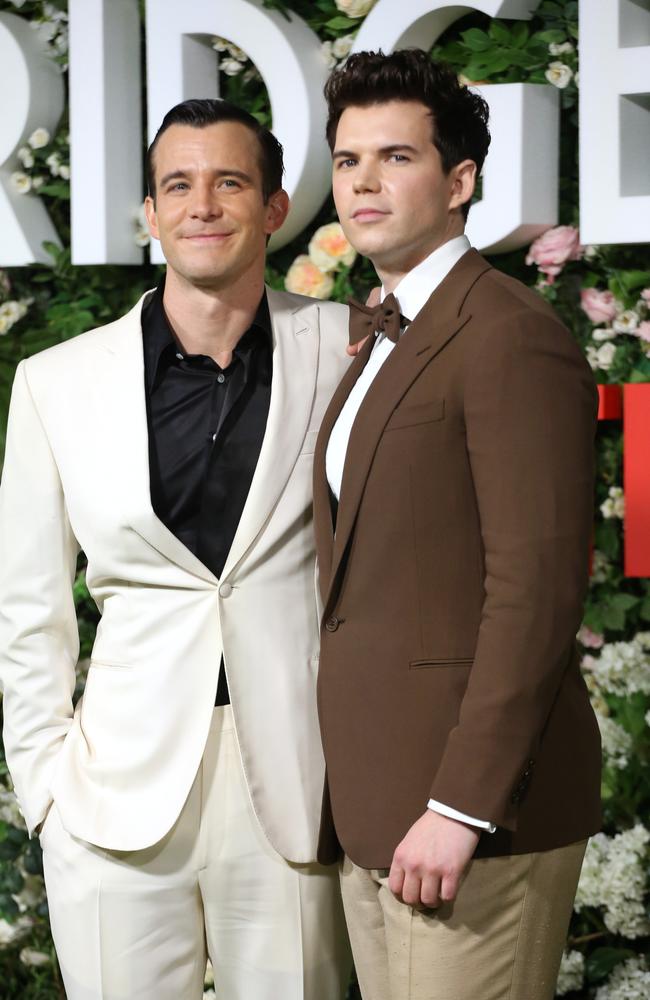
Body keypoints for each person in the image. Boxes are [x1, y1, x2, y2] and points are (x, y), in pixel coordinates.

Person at [0, 98, 351, 1000]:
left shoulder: (348, 346)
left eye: (229, 182)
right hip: (112, 790)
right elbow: (27, 603)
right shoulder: (57, 382)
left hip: (296, 779)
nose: (202, 205)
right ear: (151, 215)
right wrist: (44, 784)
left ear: (273, 208)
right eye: (178, 186)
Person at [312, 49, 601, 1000]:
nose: (364, 182)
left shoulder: (510, 335)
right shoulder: (387, 332)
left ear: (460, 180)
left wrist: (460, 804)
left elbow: (536, 591)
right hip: (377, 805)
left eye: (396, 157)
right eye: (349, 159)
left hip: (465, 817)